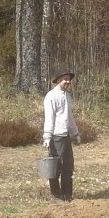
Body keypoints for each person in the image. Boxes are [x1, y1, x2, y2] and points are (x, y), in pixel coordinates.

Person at [42, 70, 82, 201]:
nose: (68, 81)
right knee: (56, 167)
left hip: (66, 137)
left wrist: (75, 133)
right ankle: (56, 195)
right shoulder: (51, 96)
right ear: (58, 80)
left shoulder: (67, 96)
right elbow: (49, 118)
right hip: (56, 137)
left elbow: (69, 117)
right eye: (65, 79)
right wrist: (47, 137)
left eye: (69, 79)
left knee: (68, 166)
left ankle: (67, 195)